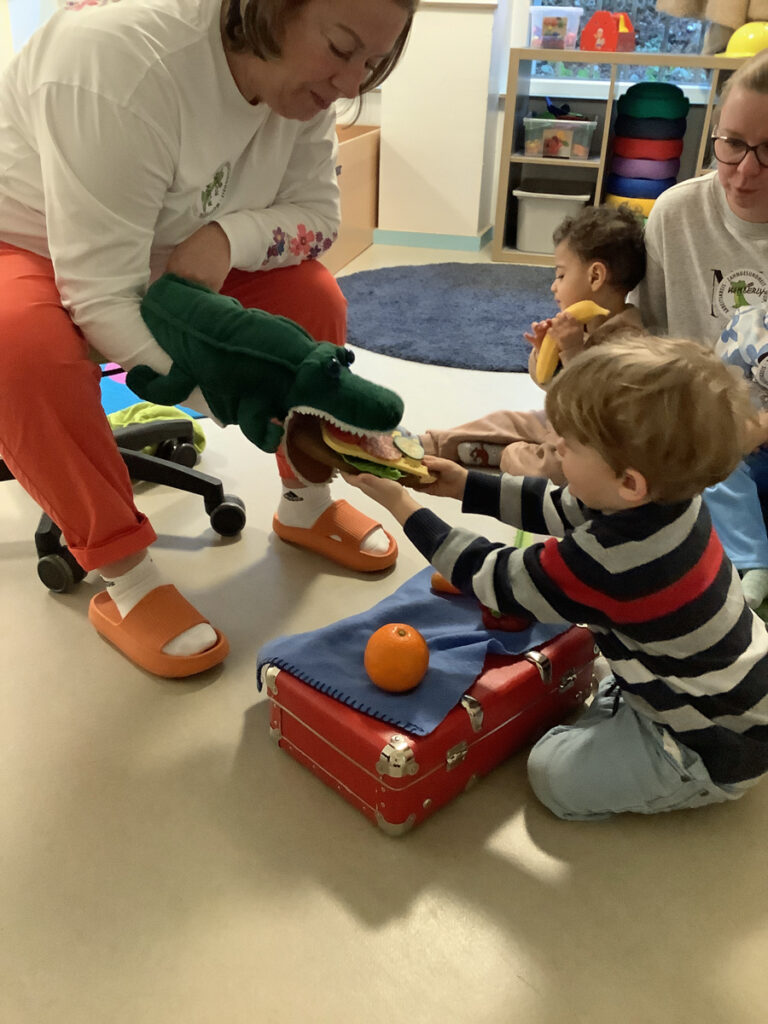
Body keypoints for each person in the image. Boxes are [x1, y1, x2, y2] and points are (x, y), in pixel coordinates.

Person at [0, 0, 415, 677]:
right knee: (20, 348)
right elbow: (101, 292)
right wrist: (226, 392)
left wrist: (227, 238)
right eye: (340, 49)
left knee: (313, 297)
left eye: (371, 64)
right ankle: (124, 575)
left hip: (186, 248)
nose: (348, 86)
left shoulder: (308, 92)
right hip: (30, 241)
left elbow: (316, 217)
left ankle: (306, 504)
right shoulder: (117, 62)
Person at [343, 334, 768, 821]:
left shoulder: (614, 560)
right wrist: (462, 484)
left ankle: (688, 773)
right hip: (732, 688)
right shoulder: (673, 501)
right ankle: (634, 712)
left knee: (550, 772)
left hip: (713, 742)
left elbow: (496, 578)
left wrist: (403, 507)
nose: (553, 447)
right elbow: (562, 505)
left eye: (568, 445)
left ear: (629, 483)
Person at [633, 48, 768, 609]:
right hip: (692, 425)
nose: (744, 171)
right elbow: (649, 339)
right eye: (731, 144)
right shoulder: (675, 213)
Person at [420, 204, 646, 482]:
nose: (554, 286)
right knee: (505, 420)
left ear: (595, 276)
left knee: (551, 467)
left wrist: (573, 350)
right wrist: (545, 353)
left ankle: (503, 454)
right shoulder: (582, 324)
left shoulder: (630, 341)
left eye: (561, 275)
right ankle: (431, 443)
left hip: (592, 443)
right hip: (559, 422)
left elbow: (593, 404)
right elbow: (549, 384)